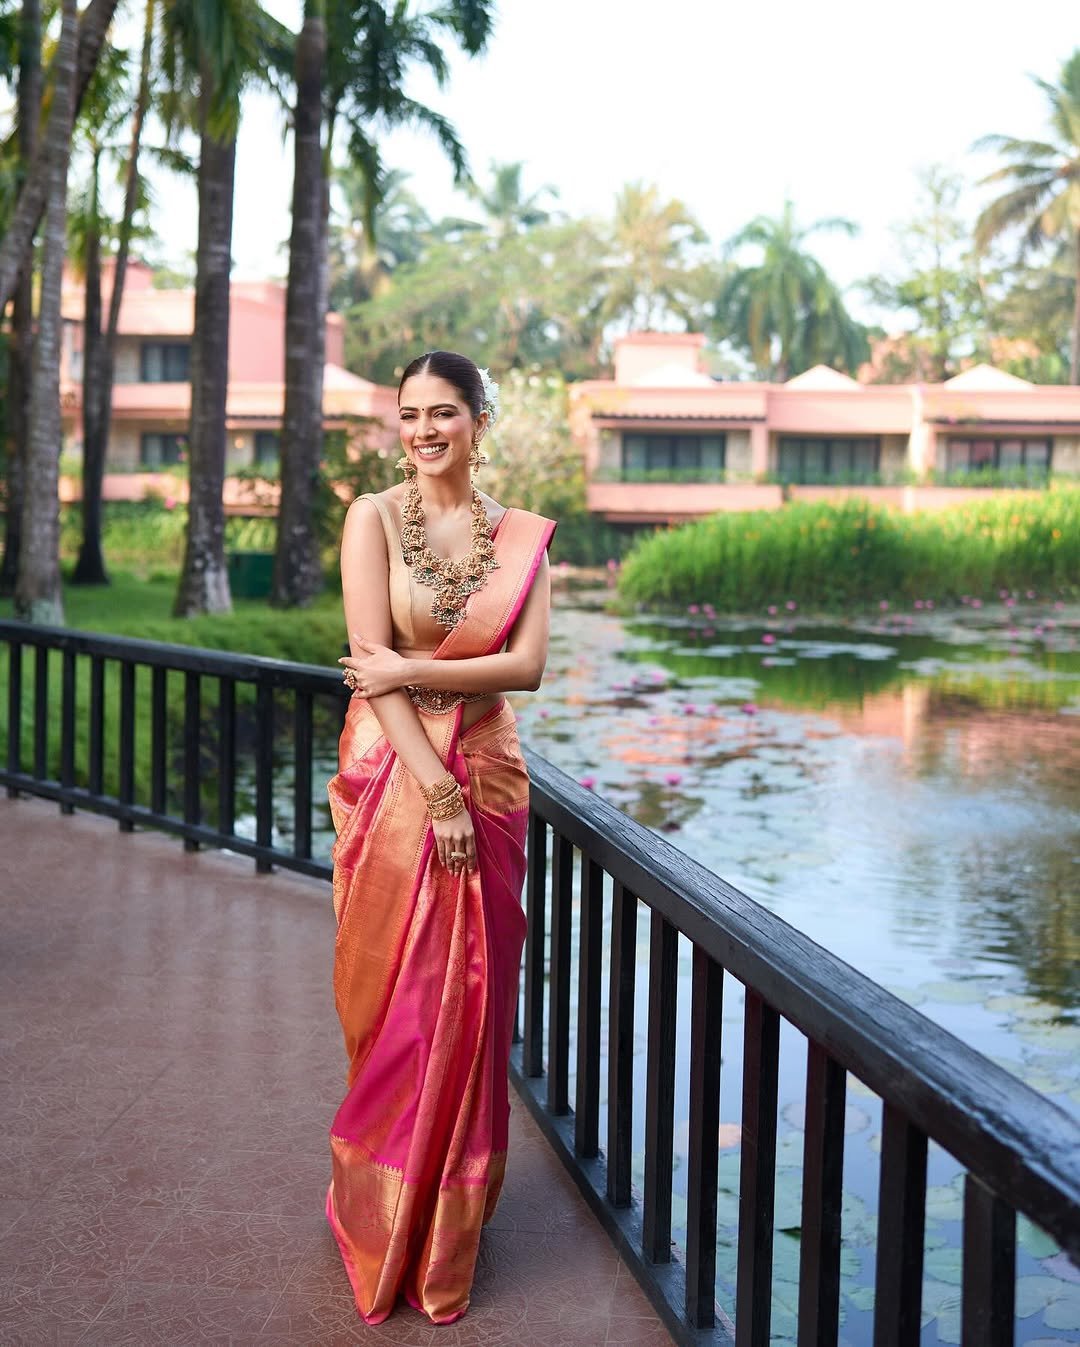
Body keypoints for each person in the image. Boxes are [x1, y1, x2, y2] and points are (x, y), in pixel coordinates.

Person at [325, 350, 556, 1325]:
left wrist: (411, 670)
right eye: (410, 413)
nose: (424, 430)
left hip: (490, 770)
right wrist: (436, 791)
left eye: (444, 412)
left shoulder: (521, 536)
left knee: (470, 997)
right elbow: (368, 663)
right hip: (393, 769)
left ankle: (448, 1226)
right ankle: (381, 1211)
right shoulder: (373, 518)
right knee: (395, 999)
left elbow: (527, 667)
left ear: (478, 420)